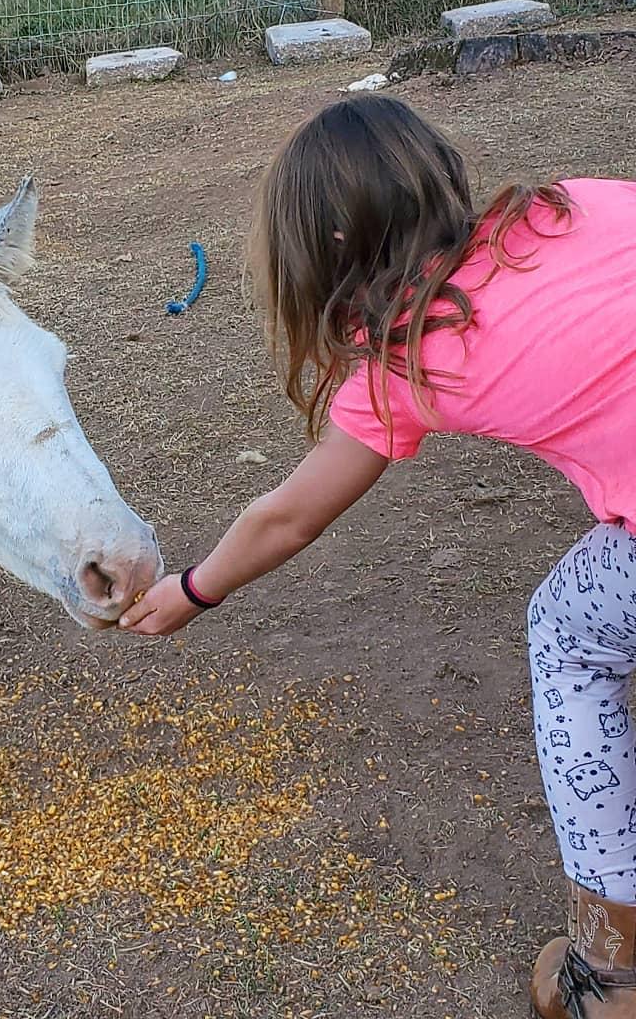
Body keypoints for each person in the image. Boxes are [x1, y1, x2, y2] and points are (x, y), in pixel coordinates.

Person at [119, 94, 636, 1018]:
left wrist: (192, 590)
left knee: (567, 634)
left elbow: (288, 520)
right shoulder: (575, 204)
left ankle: (615, 974)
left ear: (319, 256)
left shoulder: (410, 362)